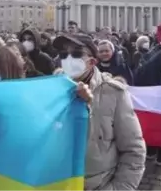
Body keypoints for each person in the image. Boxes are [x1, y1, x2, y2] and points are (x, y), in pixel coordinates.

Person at [52, 33, 146, 191]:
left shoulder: (114, 93)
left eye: (76, 54)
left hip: (99, 184)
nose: (68, 59)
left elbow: (133, 150)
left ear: (92, 61)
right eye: (63, 54)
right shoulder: (52, 91)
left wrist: (117, 188)